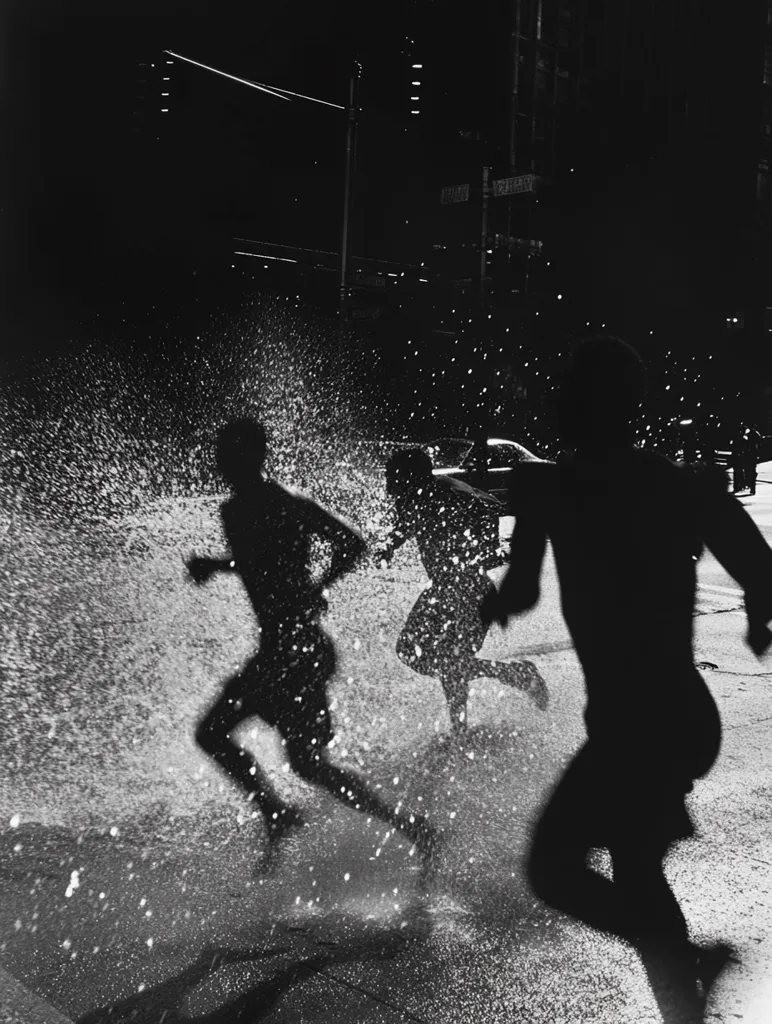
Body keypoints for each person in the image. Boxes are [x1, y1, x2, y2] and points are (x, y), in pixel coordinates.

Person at [482, 336, 772, 1012]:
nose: (556, 402)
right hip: (674, 718)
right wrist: (759, 623)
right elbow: (762, 571)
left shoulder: (547, 488)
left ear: (591, 406)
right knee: (637, 874)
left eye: (568, 391)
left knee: (554, 869)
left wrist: (490, 604)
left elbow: (520, 593)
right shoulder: (680, 489)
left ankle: (686, 957)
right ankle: (684, 988)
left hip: (639, 726)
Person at [187, 419, 437, 870]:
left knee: (260, 748)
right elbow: (259, 560)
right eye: (220, 453)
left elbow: (352, 543)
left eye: (229, 453)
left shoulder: (287, 502)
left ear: (251, 456)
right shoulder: (234, 511)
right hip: (279, 651)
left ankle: (288, 814)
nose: (220, 462)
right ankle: (405, 827)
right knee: (299, 761)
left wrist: (318, 584)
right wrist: (219, 565)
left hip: (300, 651)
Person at [376, 447, 548, 740]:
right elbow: (407, 525)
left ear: (410, 476)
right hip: (443, 589)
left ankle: (464, 726)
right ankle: (505, 684)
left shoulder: (444, 490)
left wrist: (487, 548)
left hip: (469, 589)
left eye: (393, 476)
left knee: (449, 660)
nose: (388, 483)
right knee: (422, 653)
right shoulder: (413, 498)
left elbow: (489, 503)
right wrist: (389, 546)